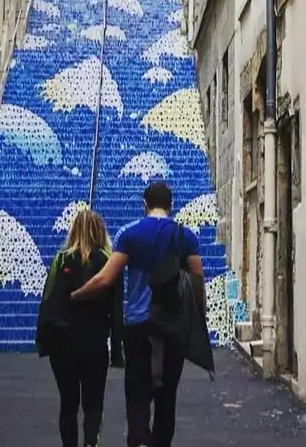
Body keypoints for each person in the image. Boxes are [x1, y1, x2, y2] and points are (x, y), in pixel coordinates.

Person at [71, 182, 208, 447]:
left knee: (137, 393)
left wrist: (76, 295)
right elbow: (197, 281)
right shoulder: (187, 237)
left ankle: (138, 438)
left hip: (138, 327)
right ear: (171, 206)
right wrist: (198, 320)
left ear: (145, 205)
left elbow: (104, 279)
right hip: (173, 327)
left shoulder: (130, 234)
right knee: (167, 398)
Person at [36, 209, 118, 447]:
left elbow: (48, 299)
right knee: (93, 403)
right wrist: (118, 348)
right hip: (94, 342)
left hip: (63, 343)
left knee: (68, 404)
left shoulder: (61, 259)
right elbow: (116, 307)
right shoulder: (108, 261)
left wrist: (44, 340)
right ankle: (91, 442)